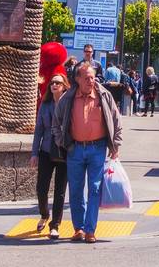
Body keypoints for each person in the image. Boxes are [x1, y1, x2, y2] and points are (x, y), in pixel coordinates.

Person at [52, 61, 121, 244]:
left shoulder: (103, 95)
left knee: (95, 189)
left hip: (97, 148)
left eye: (93, 77)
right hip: (75, 149)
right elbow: (56, 123)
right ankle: (79, 228)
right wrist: (63, 142)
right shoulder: (68, 98)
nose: (91, 81)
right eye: (87, 78)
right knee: (75, 190)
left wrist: (115, 146)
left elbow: (116, 121)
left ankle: (90, 230)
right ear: (77, 79)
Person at [29, 69, 71, 239]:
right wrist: (34, 153)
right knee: (41, 189)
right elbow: (38, 130)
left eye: (58, 83)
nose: (54, 85)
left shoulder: (69, 104)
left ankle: (55, 225)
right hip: (46, 150)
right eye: (52, 83)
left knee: (60, 191)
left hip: (64, 151)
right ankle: (44, 214)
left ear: (64, 87)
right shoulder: (45, 105)